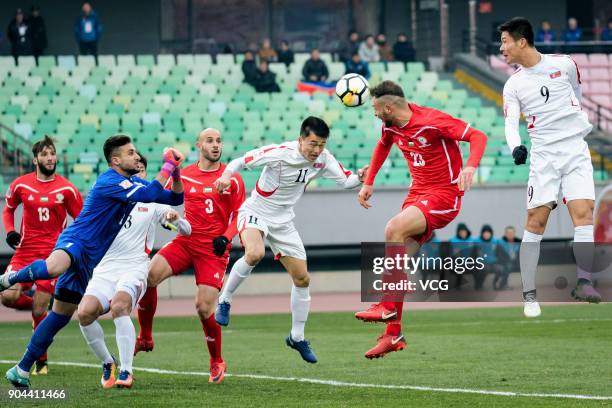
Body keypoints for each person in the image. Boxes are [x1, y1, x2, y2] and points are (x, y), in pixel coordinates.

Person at [0, 136, 185, 388]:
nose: (137, 157)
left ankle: (21, 369)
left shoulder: (131, 184)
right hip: (78, 240)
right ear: (116, 160)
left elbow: (174, 199)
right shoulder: (111, 181)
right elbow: (153, 192)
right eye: (131, 153)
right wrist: (166, 164)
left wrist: (175, 172)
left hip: (91, 259)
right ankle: (9, 278)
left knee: (59, 315)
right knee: (54, 267)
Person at [213, 117, 369, 364]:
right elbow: (241, 161)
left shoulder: (323, 158)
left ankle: (297, 337)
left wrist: (360, 176)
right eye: (312, 144)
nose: (316, 150)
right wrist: (226, 175)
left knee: (303, 278)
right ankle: (225, 300)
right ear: (300, 140)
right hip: (256, 212)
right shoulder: (279, 153)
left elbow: (346, 181)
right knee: (254, 253)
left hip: (284, 221)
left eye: (321, 144)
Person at [355, 81, 487, 359]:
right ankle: (393, 334)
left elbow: (478, 136)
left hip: (444, 195)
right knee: (399, 259)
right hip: (417, 195)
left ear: (388, 106)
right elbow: (382, 146)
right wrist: (369, 181)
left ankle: (386, 305)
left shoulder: (432, 120)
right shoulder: (390, 126)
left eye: (376, 109)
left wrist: (471, 166)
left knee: (392, 228)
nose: (375, 114)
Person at [499, 17, 600, 318]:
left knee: (584, 214)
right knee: (536, 223)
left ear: (521, 41)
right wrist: (515, 146)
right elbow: (509, 123)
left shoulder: (565, 64)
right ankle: (529, 294)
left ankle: (584, 281)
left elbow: (577, 94)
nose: (501, 48)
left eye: (504, 41)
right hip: (544, 157)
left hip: (575, 150)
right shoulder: (513, 84)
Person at [135, 128, 245, 384]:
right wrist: (172, 174)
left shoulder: (232, 178)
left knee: (203, 307)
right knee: (149, 275)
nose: (216, 145)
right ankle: (146, 336)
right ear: (199, 145)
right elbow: (172, 198)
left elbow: (240, 214)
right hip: (186, 241)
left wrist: (226, 238)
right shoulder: (186, 174)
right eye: (210, 141)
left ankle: (216, 360)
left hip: (213, 248)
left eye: (219, 141)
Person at [77, 154, 191, 389]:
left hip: (134, 267)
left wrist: (175, 219)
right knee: (85, 313)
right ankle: (108, 361)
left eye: (142, 170)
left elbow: (186, 230)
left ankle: (127, 370)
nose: (138, 174)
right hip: (105, 269)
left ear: (147, 175)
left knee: (120, 306)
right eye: (134, 169)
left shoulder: (153, 200)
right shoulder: (111, 194)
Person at [1, 136, 83, 375]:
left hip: (52, 257)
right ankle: (47, 313)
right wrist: (10, 232)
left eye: (52, 153)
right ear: (36, 159)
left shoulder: (67, 188)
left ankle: (41, 361)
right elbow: (8, 209)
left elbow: (81, 220)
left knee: (38, 308)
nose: (50, 158)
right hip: (25, 252)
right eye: (45, 154)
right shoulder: (21, 184)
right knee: (7, 297)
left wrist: (72, 243)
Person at [472, 224, 503, 290]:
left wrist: (498, 261)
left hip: (493, 263)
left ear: (491, 234)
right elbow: (473, 255)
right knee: (485, 269)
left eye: (488, 233)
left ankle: (495, 284)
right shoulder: (477, 242)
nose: (486, 234)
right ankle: (479, 285)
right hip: (481, 263)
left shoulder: (495, 242)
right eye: (485, 233)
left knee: (500, 269)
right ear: (482, 234)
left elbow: (499, 254)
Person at [497, 225, 521, 290]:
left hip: (516, 263)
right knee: (507, 266)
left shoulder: (518, 244)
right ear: (505, 234)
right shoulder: (500, 244)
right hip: (505, 263)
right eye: (508, 233)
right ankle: (502, 285)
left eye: (512, 233)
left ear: (514, 234)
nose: (510, 234)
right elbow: (499, 256)